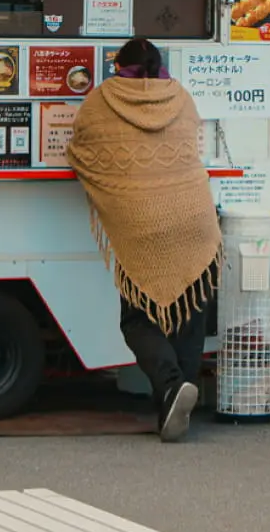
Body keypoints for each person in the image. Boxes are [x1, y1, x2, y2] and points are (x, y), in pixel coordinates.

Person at [66, 36, 220, 442]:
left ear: (119, 65)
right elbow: (193, 146)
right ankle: (174, 403)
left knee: (137, 318)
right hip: (194, 216)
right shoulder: (181, 98)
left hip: (142, 223)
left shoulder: (101, 101)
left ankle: (170, 387)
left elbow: (81, 152)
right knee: (189, 314)